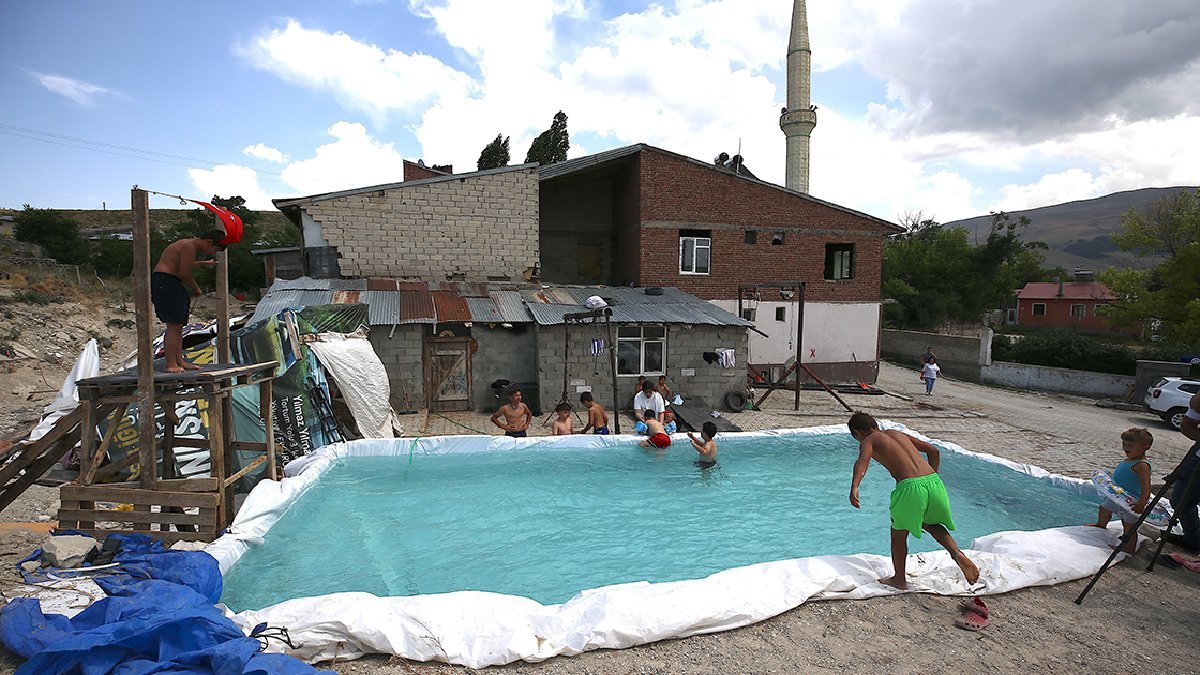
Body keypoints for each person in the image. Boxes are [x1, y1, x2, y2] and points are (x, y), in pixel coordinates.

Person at [847, 411, 979, 589]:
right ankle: (957, 554)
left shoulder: (869, 441)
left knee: (898, 535)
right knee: (930, 523)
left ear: (858, 433)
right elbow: (934, 450)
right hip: (934, 483)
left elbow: (862, 462)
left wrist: (855, 486)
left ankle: (899, 580)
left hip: (910, 487)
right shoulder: (898, 434)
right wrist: (932, 477)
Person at [151, 231, 224, 373]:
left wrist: (203, 263)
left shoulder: (187, 245)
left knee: (179, 325)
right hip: (165, 281)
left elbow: (183, 263)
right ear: (209, 242)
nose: (212, 253)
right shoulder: (189, 246)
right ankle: (171, 363)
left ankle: (180, 361)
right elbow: (184, 272)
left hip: (170, 281)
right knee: (173, 325)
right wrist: (196, 288)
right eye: (214, 250)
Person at [1086, 428, 1153, 554]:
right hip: (1117, 495)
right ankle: (1101, 524)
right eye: (1124, 444)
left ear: (1146, 447)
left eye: (1131, 445)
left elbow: (1146, 487)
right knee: (1104, 508)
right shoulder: (1129, 459)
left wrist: (1141, 503)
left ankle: (1129, 549)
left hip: (1131, 500)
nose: (1125, 447)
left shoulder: (1142, 465)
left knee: (1129, 526)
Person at [1165, 391, 1200, 553]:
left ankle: (1193, 539)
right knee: (1180, 501)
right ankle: (1193, 539)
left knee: (1182, 502)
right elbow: (1187, 425)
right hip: (1196, 459)